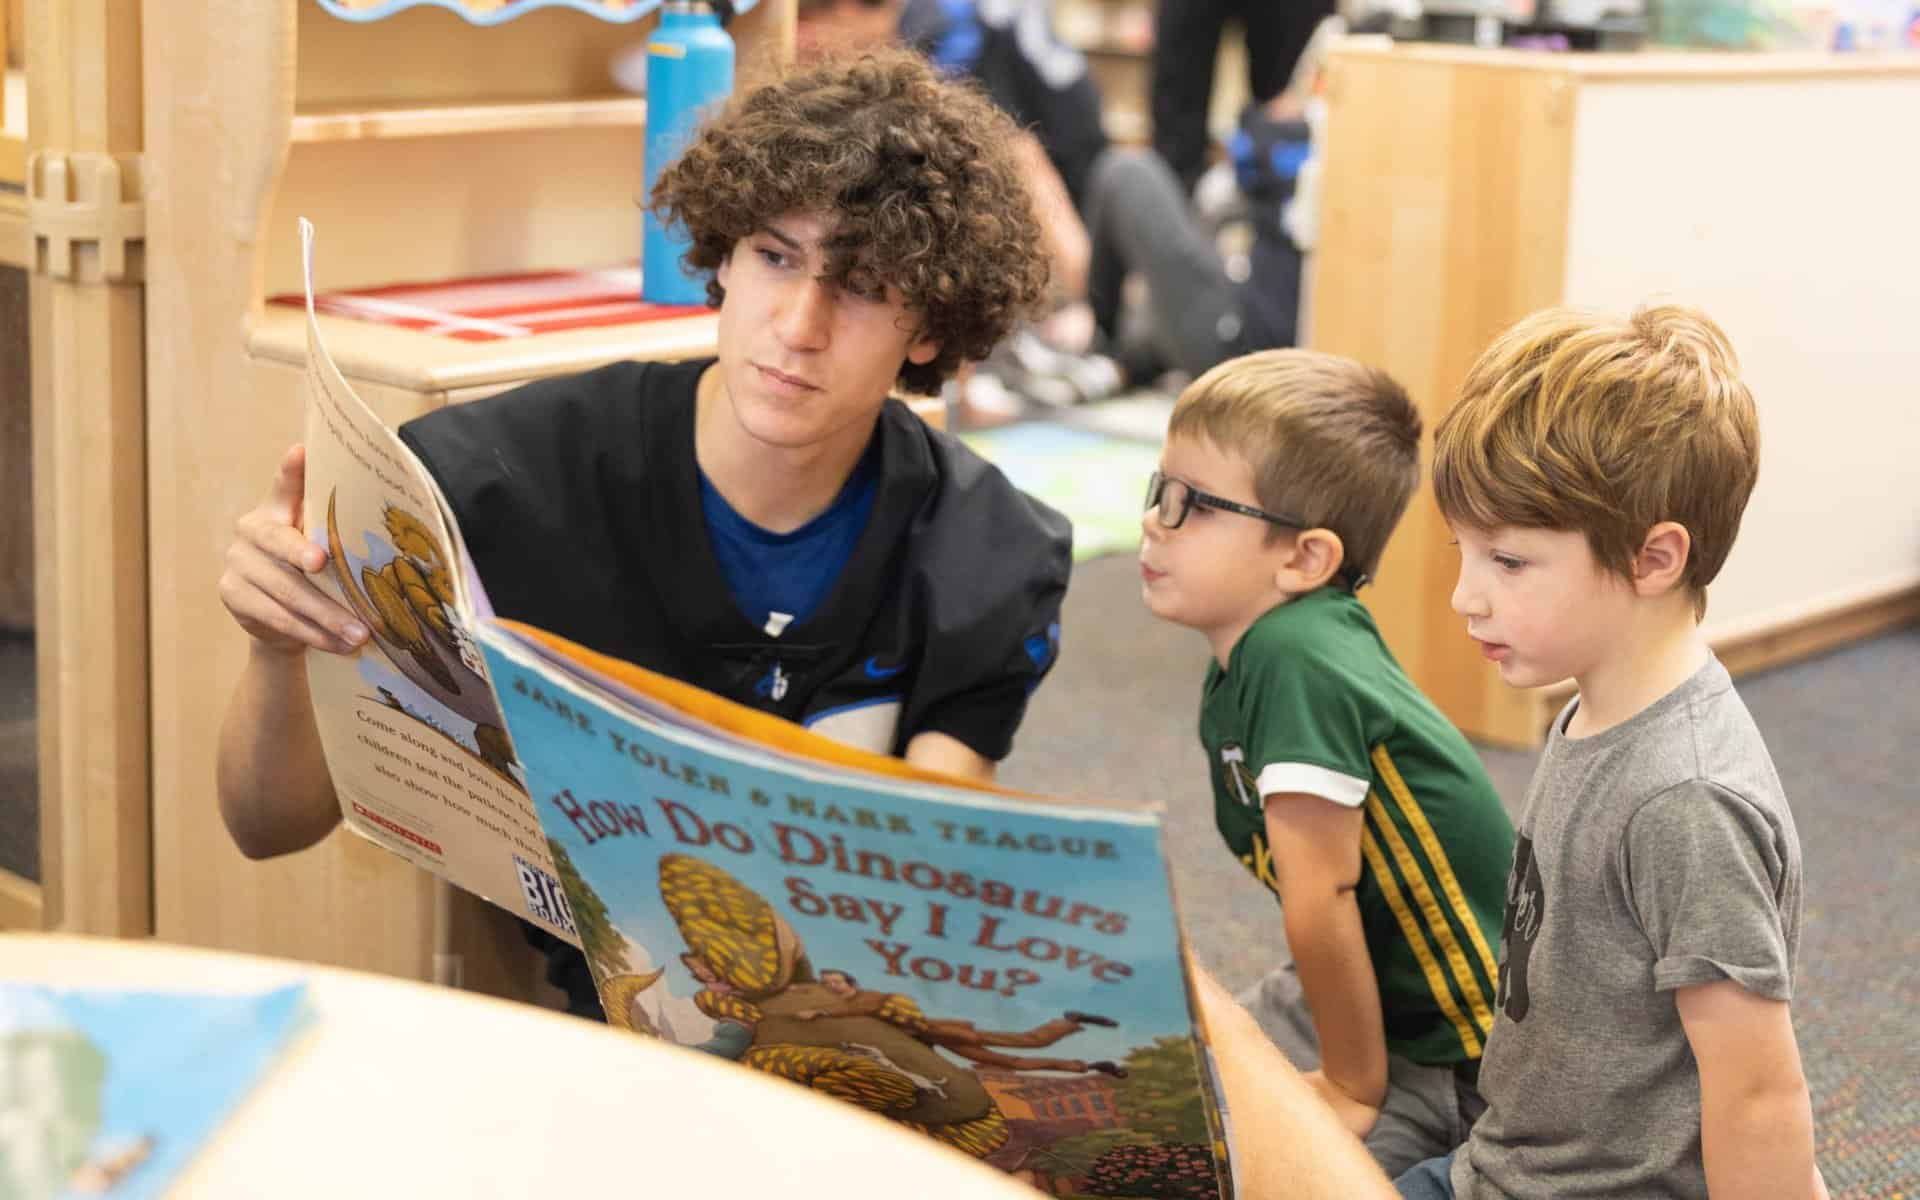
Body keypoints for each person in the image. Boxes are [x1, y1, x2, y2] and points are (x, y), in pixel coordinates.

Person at [215, 49, 1067, 1018]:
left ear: (930, 323)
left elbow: (931, 890)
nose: (798, 324)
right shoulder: (493, 480)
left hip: (838, 1020)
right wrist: (278, 648)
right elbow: (266, 824)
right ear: (724, 257)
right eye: (775, 258)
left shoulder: (985, 547)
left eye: (865, 287)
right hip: (600, 1024)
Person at [1398, 305, 1824, 1198]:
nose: (1464, 599)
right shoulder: (1595, 708)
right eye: (1463, 553)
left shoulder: (1687, 797)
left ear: (1653, 558)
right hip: (1511, 1158)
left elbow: (1756, 1094)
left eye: (1507, 563)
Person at [1137, 349, 1515, 1176]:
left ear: (1305, 558)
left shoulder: (1296, 657)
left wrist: (1349, 1086)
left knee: (1255, 1170)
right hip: (1365, 994)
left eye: (1193, 506)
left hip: (1455, 1052)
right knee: (1157, 1109)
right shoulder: (1250, 652)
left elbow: (1322, 895)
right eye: (1158, 491)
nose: (1155, 523)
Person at [794, 969, 1127, 1076]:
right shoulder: (847, 1003)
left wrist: (820, 1012)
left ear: (849, 982)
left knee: (1026, 1042)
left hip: (940, 1032)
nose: (832, 986)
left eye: (836, 981)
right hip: (937, 1041)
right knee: (1012, 1061)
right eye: (828, 983)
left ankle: (1069, 1021)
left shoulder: (865, 998)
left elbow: (863, 1011)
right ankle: (1088, 1065)